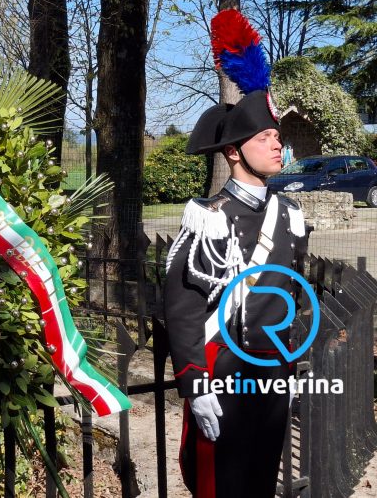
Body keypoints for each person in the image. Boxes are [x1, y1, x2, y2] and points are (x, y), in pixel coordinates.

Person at [163, 88, 309, 497]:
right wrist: (195, 384)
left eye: (276, 136)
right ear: (232, 152)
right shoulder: (208, 218)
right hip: (224, 373)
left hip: (272, 374)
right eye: (264, 137)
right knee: (221, 487)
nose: (277, 143)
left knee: (262, 480)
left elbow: (291, 295)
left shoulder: (289, 214)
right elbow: (184, 308)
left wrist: (290, 368)